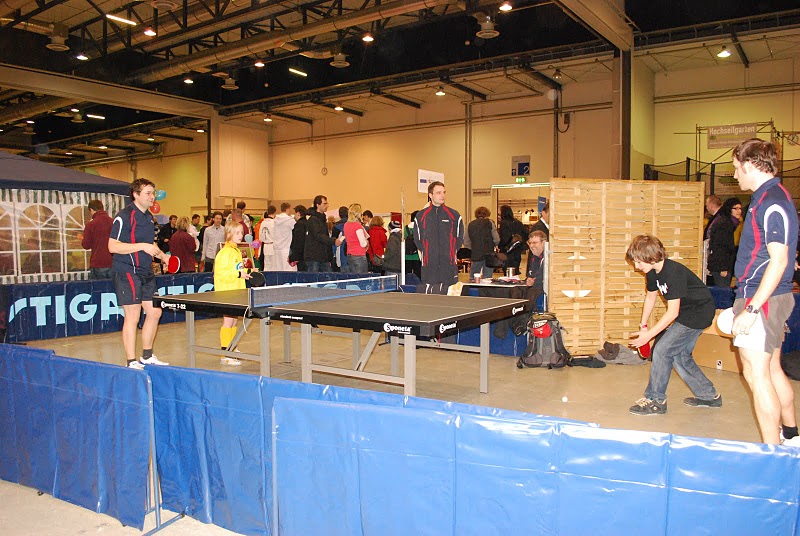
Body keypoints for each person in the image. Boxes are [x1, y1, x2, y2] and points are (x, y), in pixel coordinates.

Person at [730, 138, 799, 445]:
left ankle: (772, 453)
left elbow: (779, 260)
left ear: (750, 165)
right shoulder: (769, 197)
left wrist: (751, 309)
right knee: (771, 368)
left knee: (756, 374)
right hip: (769, 296)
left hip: (762, 298)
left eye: (737, 168)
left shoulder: (772, 201)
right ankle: (791, 434)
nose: (735, 175)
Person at [627, 234, 721, 416]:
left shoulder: (673, 273)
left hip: (699, 313)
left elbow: (672, 312)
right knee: (679, 355)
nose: (637, 267)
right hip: (687, 312)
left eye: (639, 262)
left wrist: (649, 336)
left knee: (662, 350)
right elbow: (651, 296)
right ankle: (709, 396)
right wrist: (643, 325)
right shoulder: (652, 272)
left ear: (651, 257)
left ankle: (656, 400)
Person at [108, 178, 169, 370]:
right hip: (126, 269)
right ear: (136, 194)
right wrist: (142, 246)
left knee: (155, 311)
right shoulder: (124, 216)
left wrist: (163, 256)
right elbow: (112, 246)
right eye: (148, 193)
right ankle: (130, 361)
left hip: (145, 271)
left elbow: (151, 244)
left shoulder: (149, 218)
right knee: (133, 315)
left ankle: (147, 356)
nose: (152, 196)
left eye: (153, 193)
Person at [413, 181, 464, 294]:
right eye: (438, 193)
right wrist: (428, 252)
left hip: (449, 266)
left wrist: (450, 252)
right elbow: (418, 239)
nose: (442, 195)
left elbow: (459, 237)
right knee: (431, 297)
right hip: (429, 266)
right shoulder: (421, 216)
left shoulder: (454, 215)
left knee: (450, 295)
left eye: (444, 192)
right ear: (430, 195)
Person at [214, 220, 252, 367]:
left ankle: (232, 346)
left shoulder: (236, 250)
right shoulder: (224, 253)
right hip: (226, 292)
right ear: (229, 234)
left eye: (241, 232)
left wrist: (248, 272)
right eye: (237, 233)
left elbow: (237, 269)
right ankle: (226, 354)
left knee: (234, 321)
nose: (240, 235)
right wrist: (239, 274)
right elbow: (222, 273)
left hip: (237, 291)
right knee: (228, 322)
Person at [707, 197, 741, 287]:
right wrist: (723, 268)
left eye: (740, 208)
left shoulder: (728, 223)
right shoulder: (725, 224)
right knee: (722, 290)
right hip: (721, 266)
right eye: (735, 208)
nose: (739, 211)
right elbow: (720, 246)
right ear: (729, 209)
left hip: (722, 265)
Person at [303, 195, 341, 272]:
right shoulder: (313, 220)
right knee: (315, 278)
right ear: (318, 205)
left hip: (323, 256)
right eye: (324, 203)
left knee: (328, 276)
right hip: (314, 257)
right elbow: (318, 235)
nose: (327, 205)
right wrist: (333, 241)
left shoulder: (322, 219)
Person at [464, 206, 500, 280]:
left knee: (473, 278)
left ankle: (473, 286)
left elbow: (466, 241)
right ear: (487, 214)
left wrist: (472, 248)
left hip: (475, 254)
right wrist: (495, 245)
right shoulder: (490, 223)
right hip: (489, 254)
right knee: (488, 278)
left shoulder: (470, 224)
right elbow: (496, 239)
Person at [81, 199, 113, 279]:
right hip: (114, 262)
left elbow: (86, 245)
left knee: (98, 286)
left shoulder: (90, 225)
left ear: (91, 210)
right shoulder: (114, 222)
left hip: (98, 263)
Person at [498, 205, 526, 275]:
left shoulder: (504, 223)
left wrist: (500, 246)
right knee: (515, 271)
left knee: (508, 272)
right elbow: (526, 233)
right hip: (517, 250)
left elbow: (505, 238)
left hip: (507, 252)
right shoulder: (518, 222)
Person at [343, 203, 369, 273]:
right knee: (362, 277)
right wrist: (367, 242)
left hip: (350, 255)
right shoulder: (357, 226)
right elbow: (363, 244)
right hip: (359, 255)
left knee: (354, 276)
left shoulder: (346, 225)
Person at [525, 230, 547, 307]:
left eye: (534, 243)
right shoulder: (534, 257)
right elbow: (530, 276)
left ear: (544, 243)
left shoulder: (547, 259)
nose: (531, 246)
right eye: (530, 243)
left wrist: (532, 281)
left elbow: (540, 280)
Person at [273, 203, 296, 271]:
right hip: (286, 247)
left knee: (278, 270)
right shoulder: (290, 220)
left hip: (277, 248)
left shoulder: (275, 220)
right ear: (288, 209)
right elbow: (295, 229)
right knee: (289, 270)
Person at [289, 204, 307, 271]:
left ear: (298, 213)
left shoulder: (299, 225)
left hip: (301, 256)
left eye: (295, 213)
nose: (294, 216)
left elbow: (298, 241)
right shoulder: (308, 223)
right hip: (307, 255)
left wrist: (294, 257)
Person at [404, 210, 421, 279]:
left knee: (407, 277)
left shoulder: (405, 229)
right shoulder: (420, 229)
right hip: (417, 256)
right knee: (418, 277)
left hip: (406, 256)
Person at [331, 206, 349, 272]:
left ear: (339, 215)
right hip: (352, 255)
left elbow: (333, 243)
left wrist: (332, 255)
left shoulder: (336, 227)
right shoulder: (353, 225)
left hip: (341, 255)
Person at [259, 205, 277, 270]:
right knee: (273, 265)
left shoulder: (263, 222)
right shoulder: (274, 222)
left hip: (265, 246)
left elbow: (260, 236)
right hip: (272, 246)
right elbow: (276, 235)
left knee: (266, 265)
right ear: (274, 212)